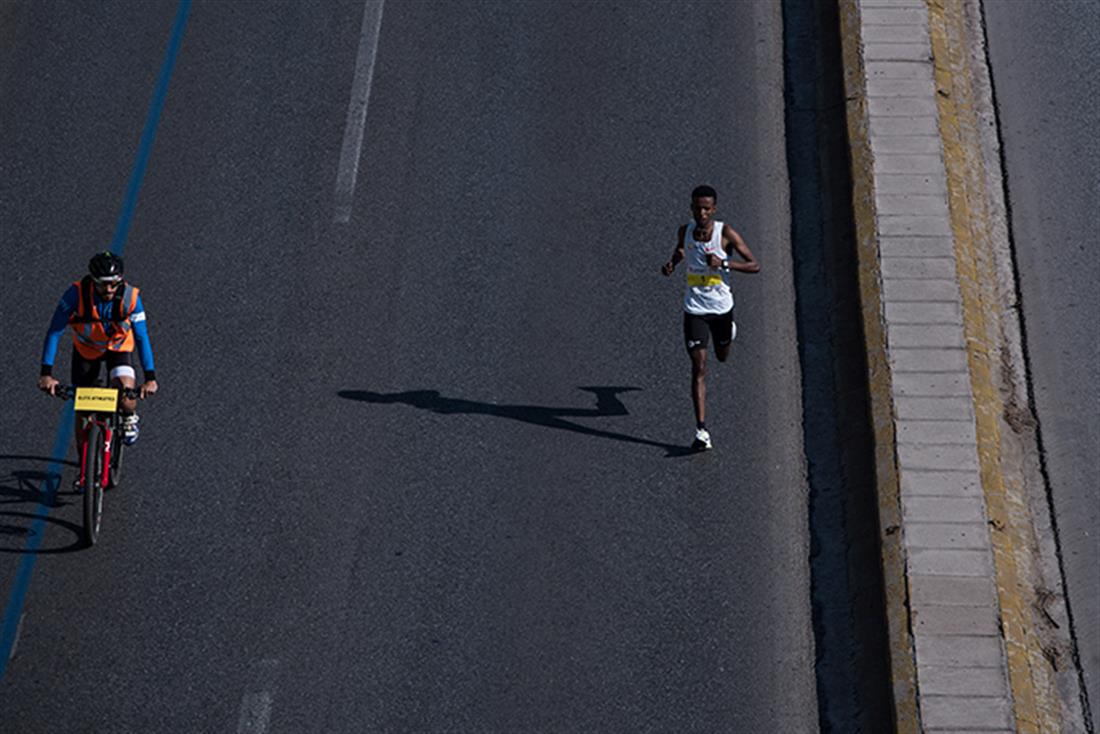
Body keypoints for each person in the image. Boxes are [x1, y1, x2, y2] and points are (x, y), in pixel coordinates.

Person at [661, 185, 759, 450]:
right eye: (697, 208)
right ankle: (702, 431)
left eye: (706, 208)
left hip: (721, 307)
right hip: (694, 308)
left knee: (723, 355)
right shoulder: (686, 230)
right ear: (692, 208)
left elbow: (754, 264)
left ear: (714, 209)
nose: (702, 213)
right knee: (699, 367)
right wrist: (672, 263)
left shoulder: (725, 233)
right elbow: (681, 249)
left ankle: (729, 334)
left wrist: (725, 263)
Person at [38, 251, 158, 446]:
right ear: (93, 281)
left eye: (114, 283)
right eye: (103, 284)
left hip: (118, 348)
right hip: (87, 351)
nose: (109, 289)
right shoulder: (74, 295)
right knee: (83, 410)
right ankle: (84, 465)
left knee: (126, 395)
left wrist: (150, 378)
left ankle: (129, 417)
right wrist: (46, 374)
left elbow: (142, 337)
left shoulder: (132, 299)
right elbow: (54, 332)